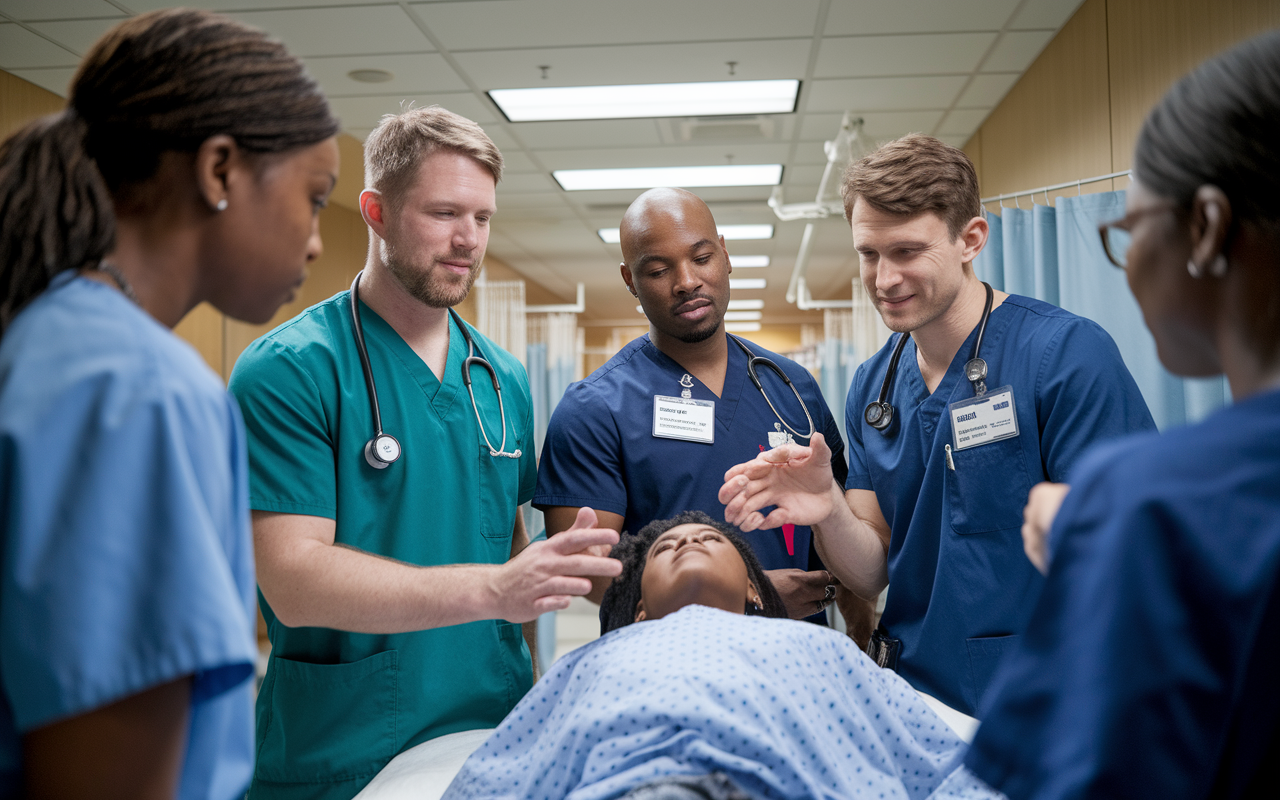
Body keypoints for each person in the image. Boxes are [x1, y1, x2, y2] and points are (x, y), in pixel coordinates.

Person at [227, 106, 620, 799]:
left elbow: (508, 536)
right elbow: (290, 580)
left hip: (489, 732)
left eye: (483, 217)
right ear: (375, 212)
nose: (468, 240)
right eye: (443, 214)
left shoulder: (501, 376)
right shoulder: (290, 370)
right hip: (343, 747)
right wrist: (493, 591)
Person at [0, 9, 340, 799]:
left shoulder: (43, 338)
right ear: (219, 170)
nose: (316, 241)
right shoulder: (141, 390)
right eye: (314, 197)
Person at [720, 134, 1156, 716]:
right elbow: (872, 570)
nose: (884, 278)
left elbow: (1135, 547)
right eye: (869, 254)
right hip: (916, 697)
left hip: (1047, 698)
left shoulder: (1064, 355)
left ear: (970, 240)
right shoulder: (874, 385)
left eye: (906, 251)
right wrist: (826, 506)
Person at [965, 30, 1280, 797]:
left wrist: (1106, 541)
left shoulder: (1151, 503)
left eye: (1128, 231)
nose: (1130, 265)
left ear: (1205, 228)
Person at [441, 512, 1000, 800]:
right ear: (637, 611)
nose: (688, 540)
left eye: (712, 540)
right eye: (665, 547)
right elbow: (497, 777)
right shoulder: (592, 662)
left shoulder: (819, 648)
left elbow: (938, 761)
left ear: (758, 592)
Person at [535, 187, 866, 633]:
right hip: (664, 666)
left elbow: (840, 532)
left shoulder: (792, 386)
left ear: (725, 255)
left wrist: (863, 641)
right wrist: (747, 591)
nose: (687, 281)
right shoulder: (594, 407)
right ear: (630, 281)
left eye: (702, 257)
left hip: (794, 661)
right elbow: (584, 567)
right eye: (657, 269)